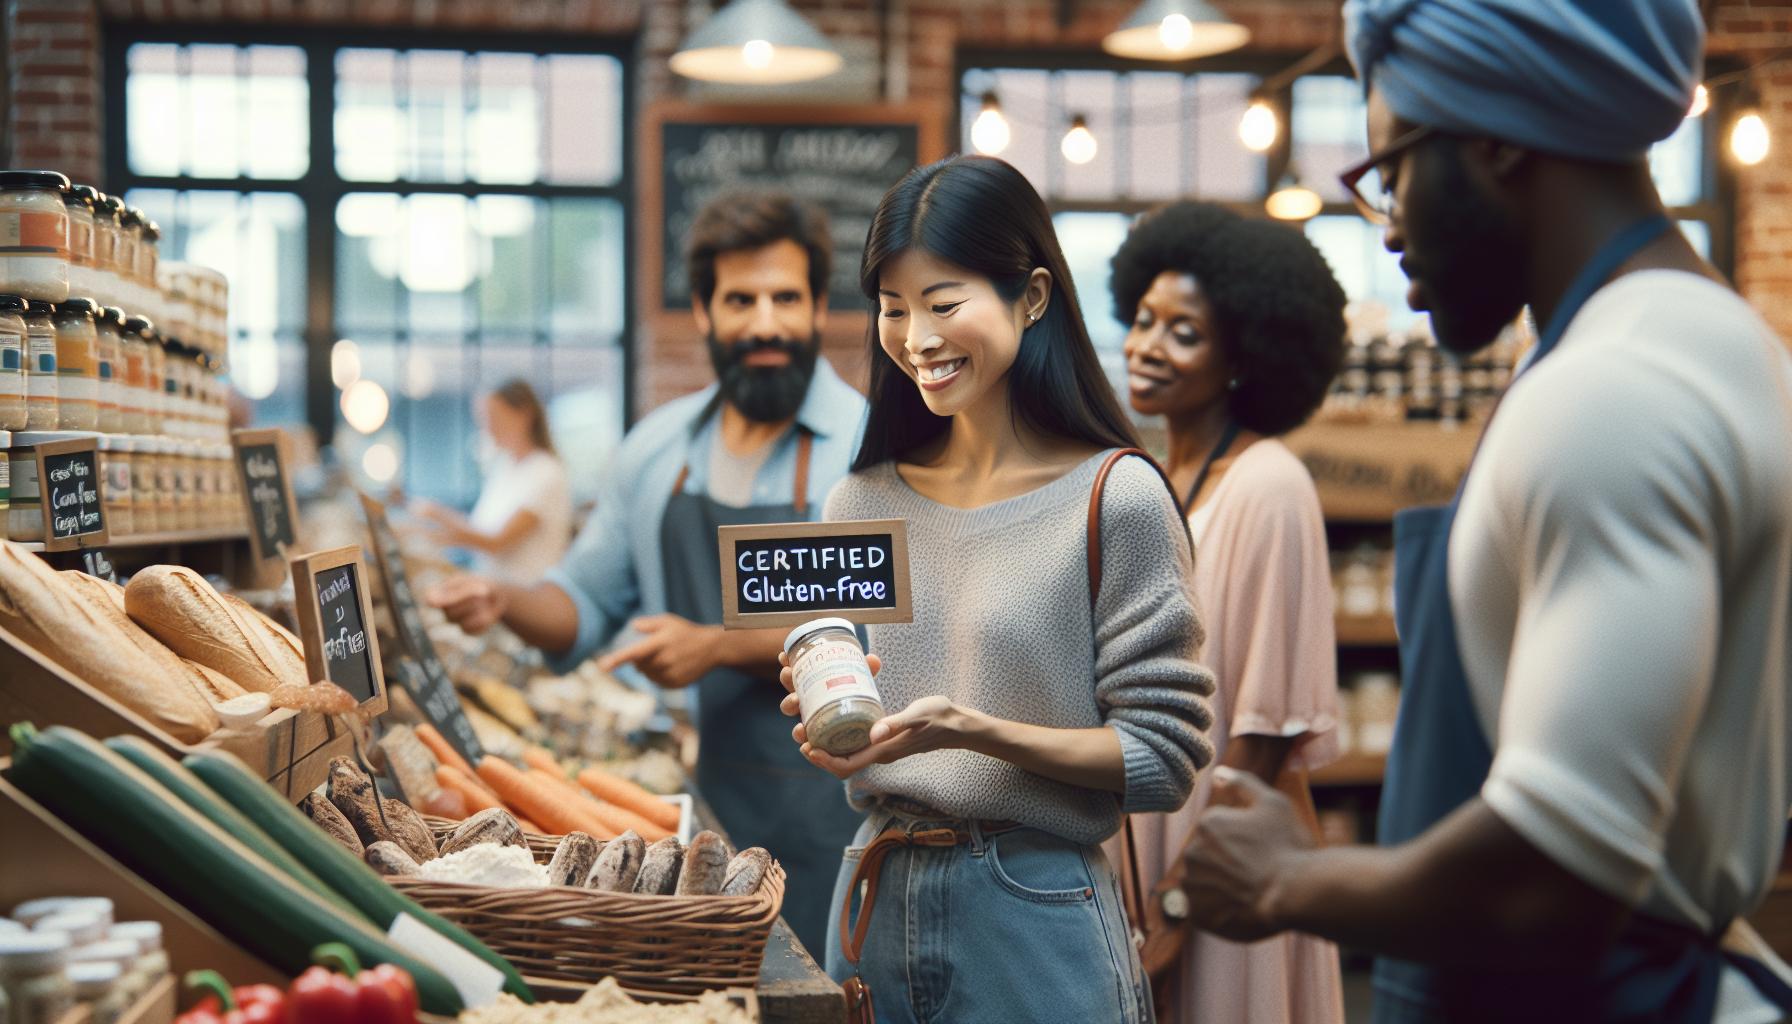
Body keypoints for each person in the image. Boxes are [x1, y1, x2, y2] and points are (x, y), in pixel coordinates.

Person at [1178, 3, 1792, 1023]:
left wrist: (1287, 878)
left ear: (1497, 137)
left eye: (1393, 170)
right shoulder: (1722, 340)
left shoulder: (1611, 392)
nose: (1388, 222)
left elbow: (1556, 875)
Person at [780, 154, 1216, 1024]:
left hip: (1035, 905)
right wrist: (837, 733)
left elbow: (1161, 760)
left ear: (1033, 298)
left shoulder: (1114, 496)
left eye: (944, 303)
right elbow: (844, 684)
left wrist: (974, 733)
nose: (916, 337)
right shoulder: (858, 501)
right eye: (893, 309)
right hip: (874, 888)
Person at [428, 192, 867, 953]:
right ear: (703, 311)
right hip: (710, 802)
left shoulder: (869, 446)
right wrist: (504, 596)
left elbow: (874, 631)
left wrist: (717, 644)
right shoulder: (656, 449)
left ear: (820, 306)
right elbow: (582, 600)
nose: (765, 322)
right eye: (740, 299)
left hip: (847, 804)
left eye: (786, 298)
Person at [1106, 201, 1347, 1024]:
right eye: (1144, 320)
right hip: (1141, 848)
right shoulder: (1146, 479)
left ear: (1245, 357)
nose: (1147, 347)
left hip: (1223, 865)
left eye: (1185, 333)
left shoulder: (1269, 485)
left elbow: (1267, 734)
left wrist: (1180, 904)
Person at [414, 379, 573, 585]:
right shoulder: (505, 467)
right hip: (491, 587)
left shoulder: (546, 472)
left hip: (524, 596)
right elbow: (477, 529)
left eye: (494, 417)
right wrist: (426, 531)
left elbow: (496, 542)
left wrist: (437, 514)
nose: (487, 427)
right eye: (483, 418)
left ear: (524, 415)